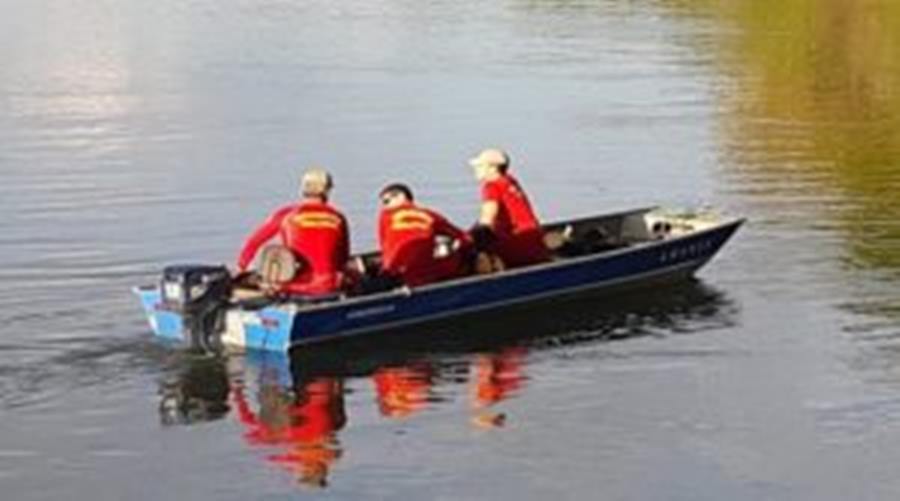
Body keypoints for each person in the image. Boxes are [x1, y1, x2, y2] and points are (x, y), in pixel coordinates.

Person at [236, 168, 350, 296]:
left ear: (303, 189)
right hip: (329, 285)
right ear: (327, 191)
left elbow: (254, 242)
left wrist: (241, 267)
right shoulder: (338, 218)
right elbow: (343, 259)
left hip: (294, 287)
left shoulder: (285, 215)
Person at [378, 183, 472, 287]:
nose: (385, 206)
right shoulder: (430, 215)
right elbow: (463, 237)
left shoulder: (385, 215)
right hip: (423, 274)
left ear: (402, 196)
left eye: (386, 201)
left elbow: (384, 246)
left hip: (396, 274)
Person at [468, 148, 550, 268]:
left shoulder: (491, 186)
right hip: (535, 239)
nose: (475, 169)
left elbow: (487, 220)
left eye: (480, 166)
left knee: (468, 253)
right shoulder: (510, 181)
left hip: (518, 242)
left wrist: (469, 239)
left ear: (493, 168)